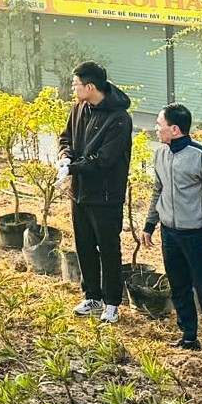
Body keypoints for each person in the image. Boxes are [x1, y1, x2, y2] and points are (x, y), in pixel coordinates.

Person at [141, 103, 202, 354]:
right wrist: (149, 225)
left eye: (160, 125)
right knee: (178, 287)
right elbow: (158, 191)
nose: (156, 129)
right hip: (170, 233)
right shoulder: (160, 153)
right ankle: (189, 336)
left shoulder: (200, 155)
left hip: (198, 234)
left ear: (175, 129)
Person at [59, 62, 133, 324]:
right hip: (80, 193)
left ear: (90, 87)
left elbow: (104, 159)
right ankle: (92, 296)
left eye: (76, 84)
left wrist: (72, 169)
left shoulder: (119, 119)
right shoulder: (79, 108)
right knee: (85, 246)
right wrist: (65, 157)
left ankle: (112, 302)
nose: (73, 89)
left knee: (108, 249)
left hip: (105, 196)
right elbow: (66, 137)